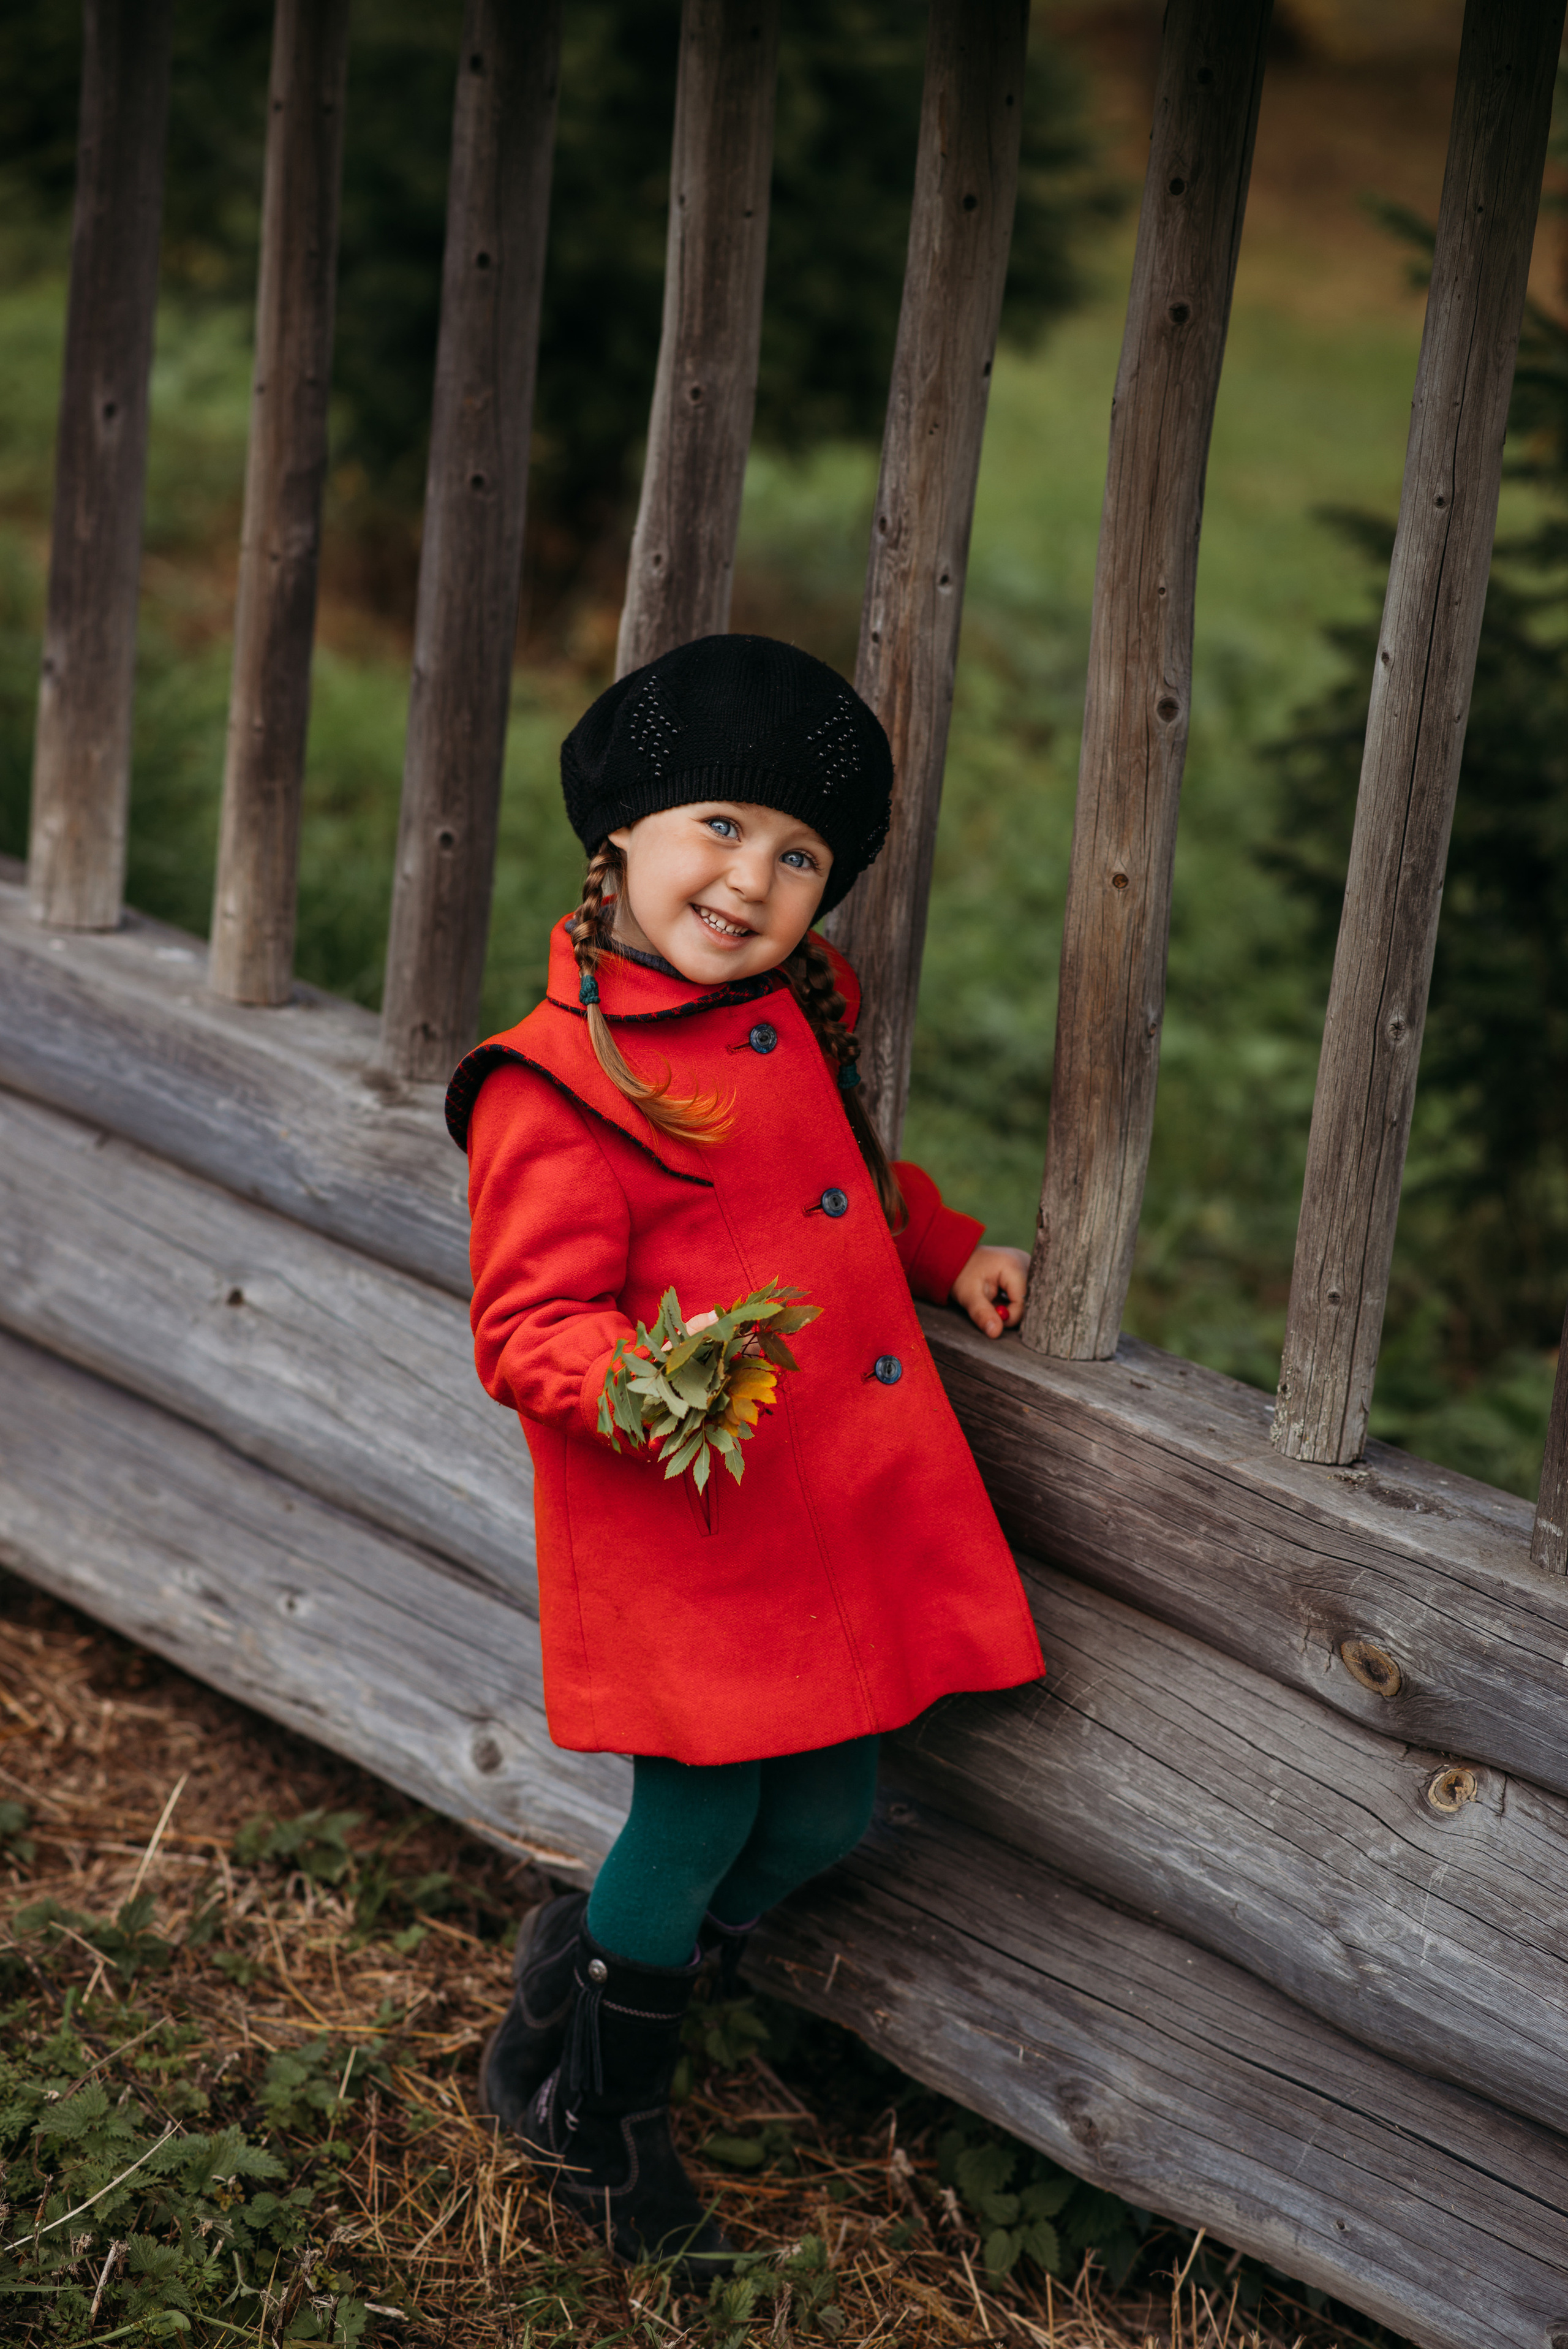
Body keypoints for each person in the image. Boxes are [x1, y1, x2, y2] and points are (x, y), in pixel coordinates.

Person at [447, 633, 1044, 2277]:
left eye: (799, 855)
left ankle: (584, 1966)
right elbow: (525, 1326)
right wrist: (648, 1381)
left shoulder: (804, 1000)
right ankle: (597, 2115)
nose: (753, 877)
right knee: (701, 1819)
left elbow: (843, 1174)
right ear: (623, 836)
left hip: (831, 1508)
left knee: (829, 1815)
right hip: (692, 1529)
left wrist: (948, 1249)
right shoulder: (558, 1086)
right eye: (719, 823)